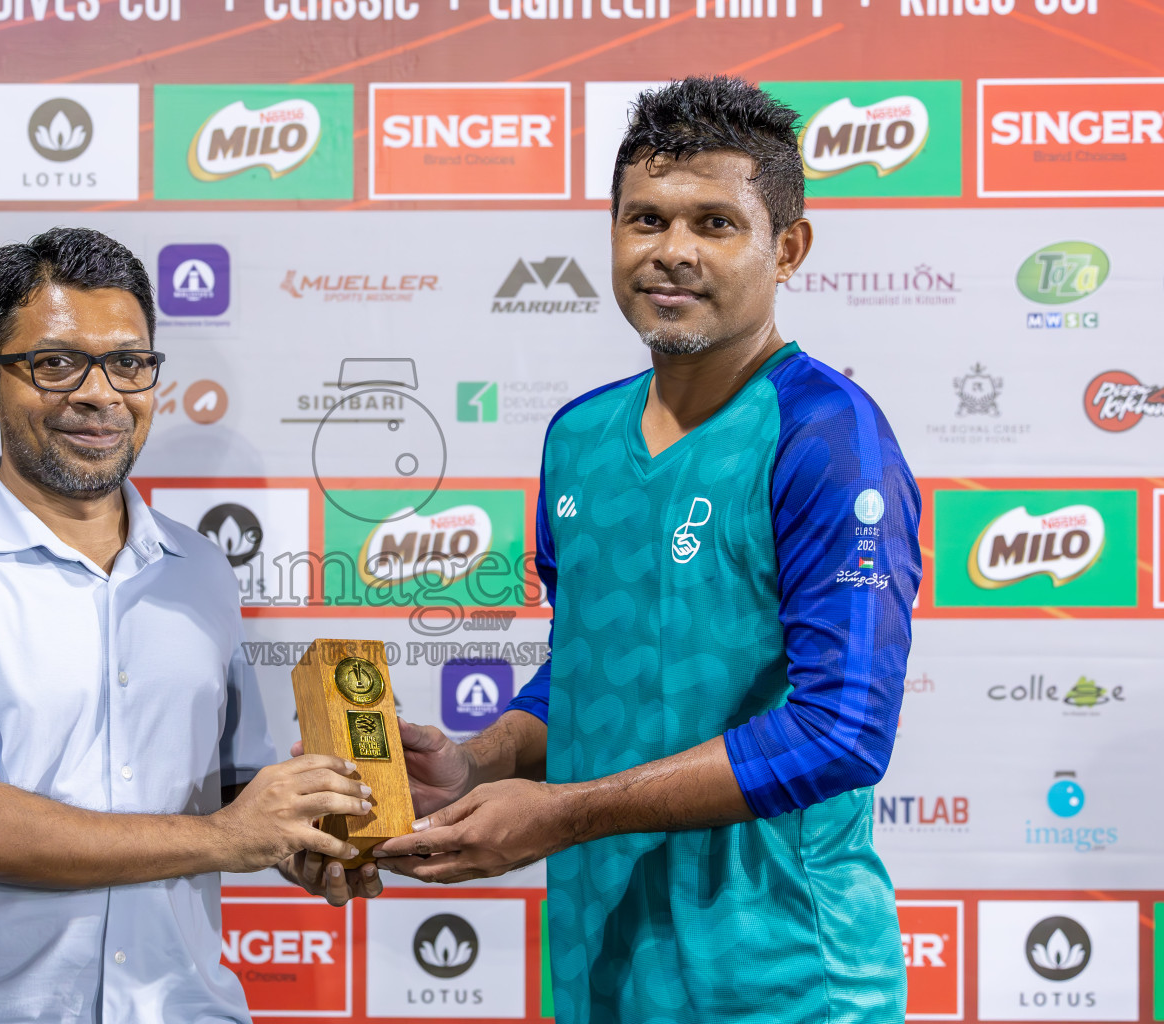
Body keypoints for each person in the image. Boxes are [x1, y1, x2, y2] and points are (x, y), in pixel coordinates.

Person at [377, 77, 921, 1023]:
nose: (671, 252)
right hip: (600, 965)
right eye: (645, 219)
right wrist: (484, 760)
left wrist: (562, 816)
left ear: (787, 247)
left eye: (715, 222)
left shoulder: (830, 438)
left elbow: (841, 732)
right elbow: (589, 679)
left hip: (785, 980)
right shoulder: (578, 435)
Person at [0, 227, 379, 1024]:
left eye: (130, 362)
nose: (102, 394)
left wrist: (316, 836)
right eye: (57, 364)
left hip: (183, 1006)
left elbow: (234, 793)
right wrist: (233, 838)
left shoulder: (199, 568)